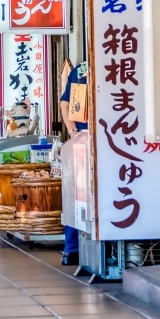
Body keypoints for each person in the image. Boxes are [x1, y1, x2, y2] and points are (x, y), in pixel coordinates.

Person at [59, 61, 88, 266]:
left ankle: (72, 249)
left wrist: (74, 132)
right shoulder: (125, 65)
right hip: (115, 141)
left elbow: (65, 103)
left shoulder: (83, 69)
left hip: (83, 140)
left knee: (77, 195)